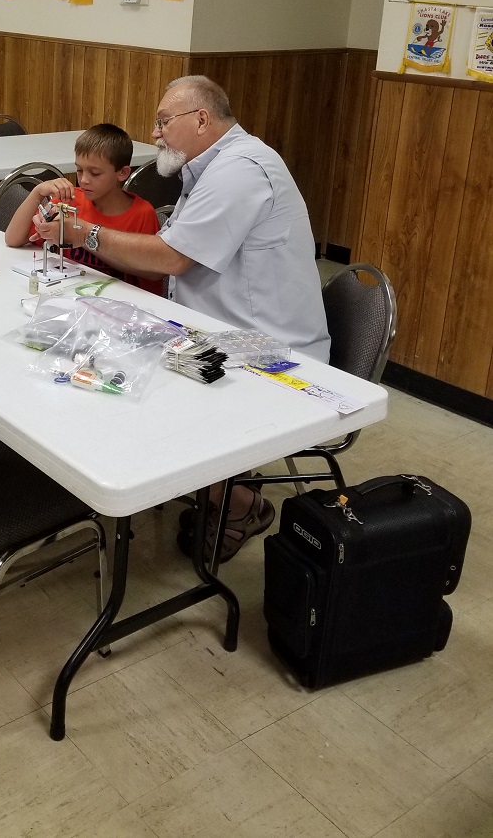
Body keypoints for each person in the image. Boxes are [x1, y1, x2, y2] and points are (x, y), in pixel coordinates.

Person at [33, 76, 330, 562]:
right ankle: (198, 488)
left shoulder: (239, 171)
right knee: (100, 358)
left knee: (137, 390)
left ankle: (239, 504)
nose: (155, 133)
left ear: (201, 119)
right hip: (217, 326)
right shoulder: (211, 168)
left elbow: (172, 258)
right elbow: (163, 259)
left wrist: (83, 233)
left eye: (163, 122)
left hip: (268, 349)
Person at [4, 123, 163, 295]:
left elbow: (154, 273)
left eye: (95, 173)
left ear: (122, 173)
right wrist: (37, 193)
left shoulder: (142, 214)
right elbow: (13, 239)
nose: (84, 180)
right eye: (79, 170)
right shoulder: (70, 200)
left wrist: (82, 237)